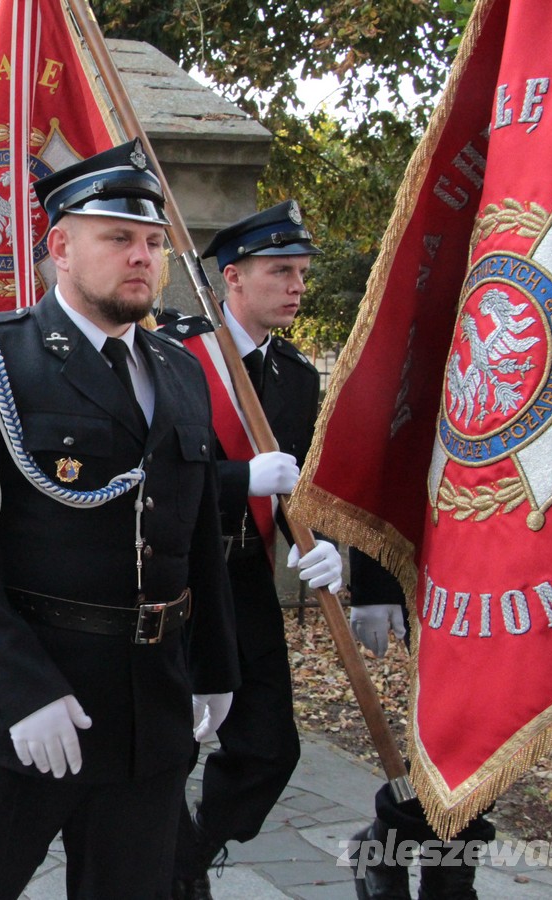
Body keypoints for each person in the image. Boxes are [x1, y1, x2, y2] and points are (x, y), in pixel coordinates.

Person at [0, 141, 239, 899]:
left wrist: (213, 665)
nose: (143, 256)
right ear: (60, 248)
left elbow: (195, 527)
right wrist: (22, 691)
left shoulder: (179, 369)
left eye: (153, 242)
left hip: (147, 703)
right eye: (118, 238)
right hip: (18, 703)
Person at [156, 200, 345, 900]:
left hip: (245, 575)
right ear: (232, 278)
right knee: (173, 744)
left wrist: (318, 544)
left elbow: (310, 483)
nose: (296, 286)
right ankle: (174, 872)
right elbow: (151, 472)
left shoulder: (295, 374)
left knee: (269, 745)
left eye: (301, 273)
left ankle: (191, 851)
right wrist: (237, 480)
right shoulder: (177, 354)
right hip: (177, 577)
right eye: (280, 272)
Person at [346, 549, 494, 899]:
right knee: (462, 733)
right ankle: (422, 870)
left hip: (536, 574)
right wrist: (374, 581)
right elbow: (386, 491)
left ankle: (433, 874)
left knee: (491, 735)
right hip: (449, 567)